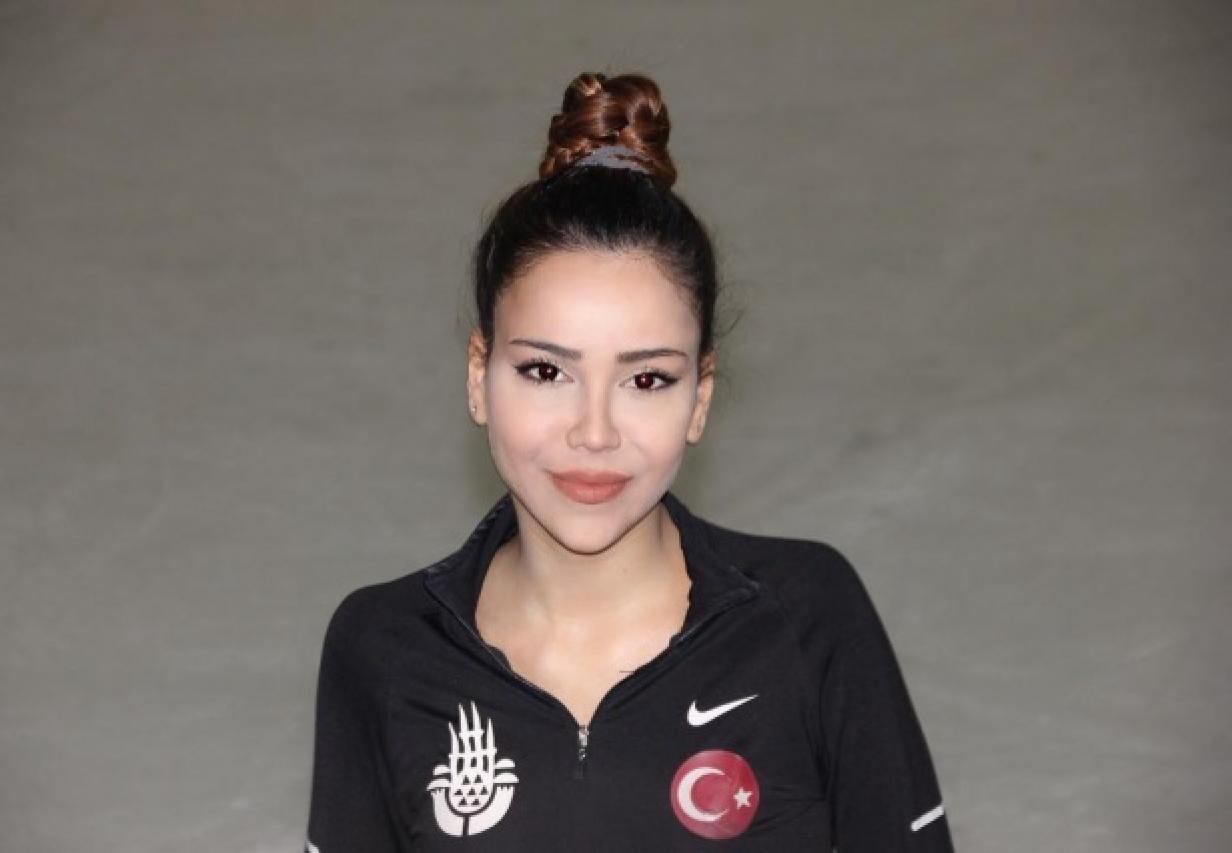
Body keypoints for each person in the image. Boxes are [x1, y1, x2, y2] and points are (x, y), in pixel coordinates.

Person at [304, 71, 953, 852]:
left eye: (647, 380)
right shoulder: (386, 647)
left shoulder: (806, 619)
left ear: (700, 396)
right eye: (545, 370)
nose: (595, 432)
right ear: (479, 376)